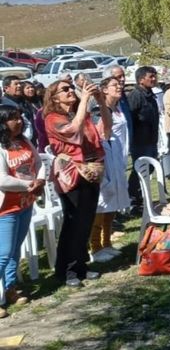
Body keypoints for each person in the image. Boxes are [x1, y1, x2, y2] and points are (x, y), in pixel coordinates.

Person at [44, 78, 110, 287]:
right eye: (65, 89)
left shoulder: (79, 113)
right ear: (54, 97)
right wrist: (84, 100)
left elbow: (105, 128)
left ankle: (81, 266)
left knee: (86, 220)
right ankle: (66, 271)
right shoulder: (52, 118)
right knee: (73, 222)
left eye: (71, 87)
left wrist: (100, 102)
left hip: (91, 171)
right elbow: (72, 132)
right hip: (71, 175)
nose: (70, 91)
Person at [0, 105, 44, 317]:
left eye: (19, 117)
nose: (18, 122)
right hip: (5, 208)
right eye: (12, 119)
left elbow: (38, 161)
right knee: (3, 253)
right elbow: (2, 179)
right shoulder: (1, 147)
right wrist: (29, 184)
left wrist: (41, 179)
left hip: (25, 204)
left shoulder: (23, 141)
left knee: (15, 249)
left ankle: (9, 289)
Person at [89, 76, 129, 263]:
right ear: (104, 90)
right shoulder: (98, 109)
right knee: (102, 202)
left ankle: (107, 243)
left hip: (116, 155)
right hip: (104, 154)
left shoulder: (118, 108)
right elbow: (99, 132)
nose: (119, 87)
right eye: (114, 85)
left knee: (112, 202)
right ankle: (95, 247)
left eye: (120, 84)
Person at [127, 66, 160, 211]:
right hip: (140, 141)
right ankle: (133, 198)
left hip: (151, 140)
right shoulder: (135, 96)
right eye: (150, 76)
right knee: (140, 169)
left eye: (155, 76)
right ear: (141, 80)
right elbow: (131, 118)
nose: (154, 79)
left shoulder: (150, 94)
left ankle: (140, 196)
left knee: (150, 167)